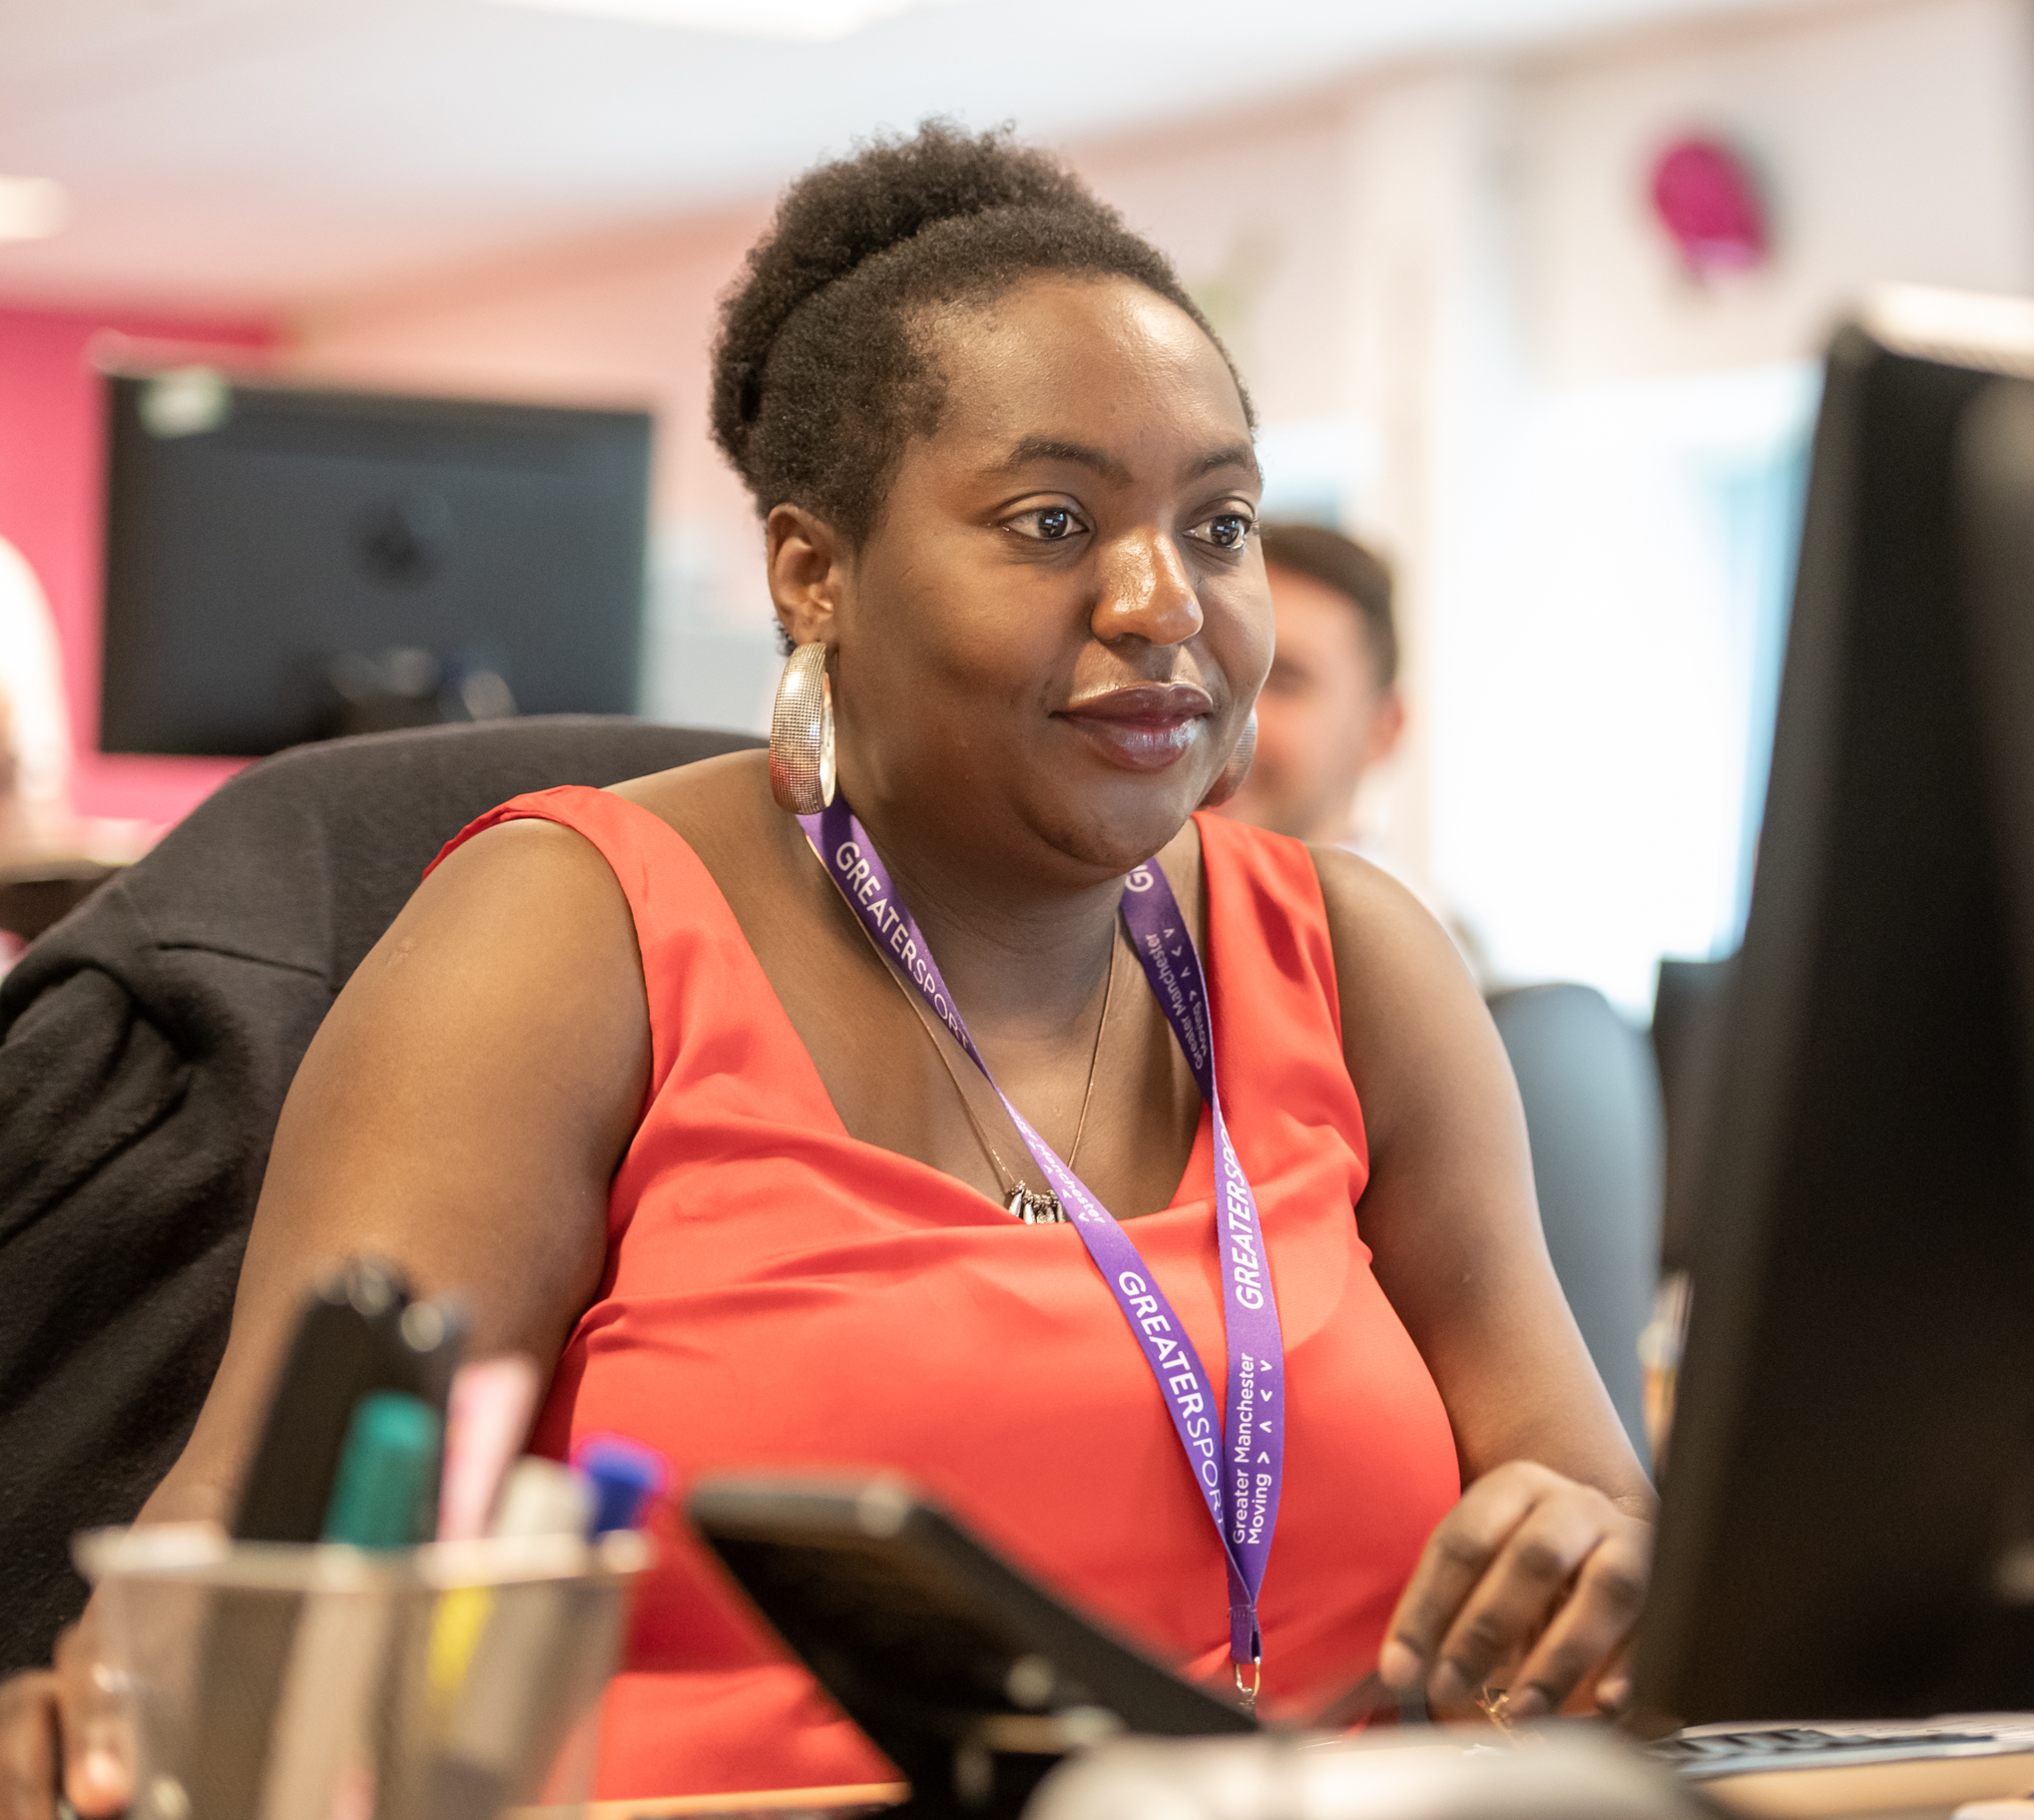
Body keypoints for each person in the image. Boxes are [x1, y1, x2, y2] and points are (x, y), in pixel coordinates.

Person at [0, 124, 1650, 1810]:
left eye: (1218, 523)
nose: (1165, 600)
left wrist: (1589, 1536)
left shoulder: (1355, 958)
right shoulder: (566, 934)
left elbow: (1589, 1484)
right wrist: (134, 1692)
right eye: (1054, 518)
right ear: (812, 570)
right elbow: (259, 1540)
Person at [1212, 523, 1404, 849]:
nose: (1222, 715)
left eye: (1283, 683)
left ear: (1380, 731)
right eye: (1210, 669)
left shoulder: (1405, 902)